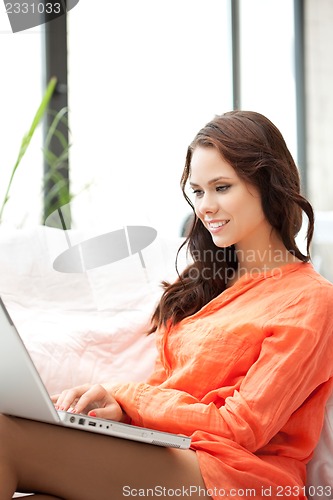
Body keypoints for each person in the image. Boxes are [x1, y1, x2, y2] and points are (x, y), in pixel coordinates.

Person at [1, 110, 333, 500]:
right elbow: (170, 389)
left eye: (221, 187)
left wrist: (129, 397)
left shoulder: (311, 299)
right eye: (197, 191)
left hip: (242, 478)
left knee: (6, 436)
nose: (205, 206)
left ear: (268, 184)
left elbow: (242, 426)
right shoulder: (205, 285)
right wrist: (120, 412)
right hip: (172, 453)